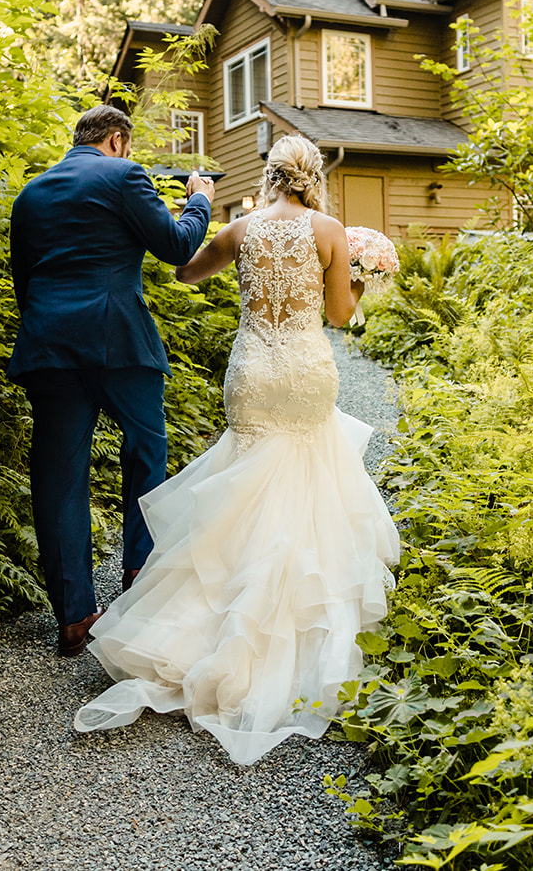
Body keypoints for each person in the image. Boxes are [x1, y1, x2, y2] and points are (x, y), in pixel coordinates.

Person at [72, 134, 401, 765]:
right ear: (312, 176)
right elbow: (338, 318)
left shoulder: (240, 230)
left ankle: (199, 626)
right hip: (305, 370)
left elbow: (184, 270)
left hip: (252, 369)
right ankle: (289, 628)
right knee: (305, 480)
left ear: (270, 175)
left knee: (246, 476)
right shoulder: (330, 231)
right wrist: (360, 279)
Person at [7, 104, 215, 658]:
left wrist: (48, 332)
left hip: (49, 345)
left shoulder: (30, 195)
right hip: (119, 341)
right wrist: (200, 201)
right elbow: (175, 244)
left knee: (58, 479)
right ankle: (139, 581)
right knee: (146, 451)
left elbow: (23, 281)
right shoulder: (124, 175)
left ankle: (74, 618)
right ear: (119, 140)